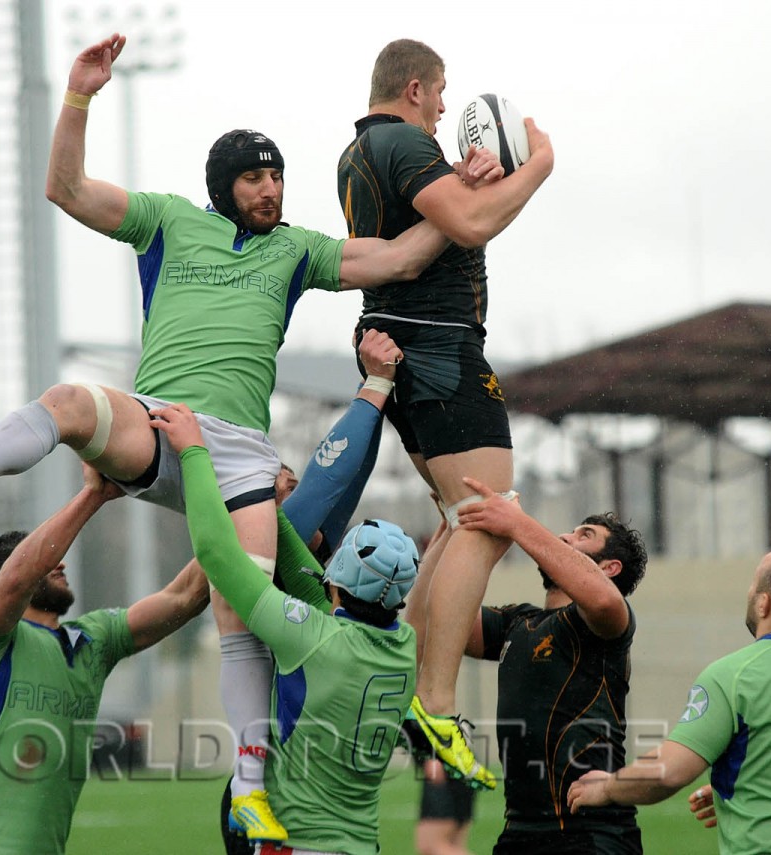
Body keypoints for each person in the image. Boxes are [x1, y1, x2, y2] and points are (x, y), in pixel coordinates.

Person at [0, 32, 440, 840]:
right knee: (70, 401)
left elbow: (398, 259)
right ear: (224, 184)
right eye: (255, 177)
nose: (271, 189)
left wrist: (468, 200)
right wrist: (79, 95)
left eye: (277, 176)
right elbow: (64, 188)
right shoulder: (169, 220)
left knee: (237, 605)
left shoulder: (297, 249)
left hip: (238, 455)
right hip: (159, 424)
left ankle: (249, 787)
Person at [336, 38, 554, 789]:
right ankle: (434, 703)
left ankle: (411, 682)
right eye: (439, 93)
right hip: (436, 346)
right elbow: (469, 225)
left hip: (403, 342)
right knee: (490, 516)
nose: (442, 109)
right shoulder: (402, 140)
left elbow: (452, 216)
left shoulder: (361, 150)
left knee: (460, 521)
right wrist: (537, 167)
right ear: (416, 88)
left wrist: (470, 181)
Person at [154, 400, 419, 855]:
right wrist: (269, 507)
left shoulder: (311, 637)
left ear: (335, 577)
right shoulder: (404, 646)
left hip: (295, 841)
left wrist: (197, 455)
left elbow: (218, 553)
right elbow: (313, 589)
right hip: (360, 845)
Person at [0, 464, 211, 854]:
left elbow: (184, 597)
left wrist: (243, 511)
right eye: (45, 557)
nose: (61, 561)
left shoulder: (93, 639)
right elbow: (18, 577)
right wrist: (93, 495)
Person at [567, 547, 771, 855]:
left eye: (754, 584)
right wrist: (749, 789)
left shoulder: (736, 675)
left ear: (764, 603)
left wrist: (606, 787)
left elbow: (669, 771)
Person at [454, 485, 648, 854]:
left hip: (591, 833)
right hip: (519, 832)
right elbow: (438, 622)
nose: (563, 537)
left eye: (584, 535)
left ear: (609, 568)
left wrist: (517, 523)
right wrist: (453, 529)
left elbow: (602, 599)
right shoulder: (518, 621)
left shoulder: (608, 620)